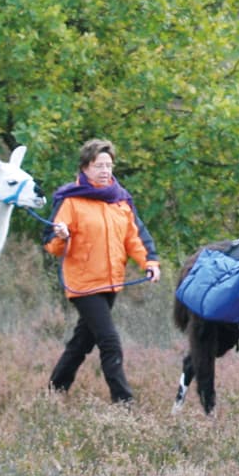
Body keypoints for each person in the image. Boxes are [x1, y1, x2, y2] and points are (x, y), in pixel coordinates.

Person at [45, 138, 161, 404]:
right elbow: (51, 244)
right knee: (110, 342)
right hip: (84, 285)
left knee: (81, 343)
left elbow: (135, 238)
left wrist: (150, 263)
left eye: (109, 165)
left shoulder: (120, 201)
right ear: (85, 167)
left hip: (111, 283)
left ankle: (54, 392)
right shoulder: (70, 200)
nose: (105, 171)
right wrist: (62, 236)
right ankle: (124, 403)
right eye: (99, 165)